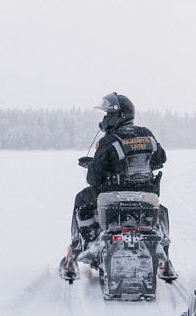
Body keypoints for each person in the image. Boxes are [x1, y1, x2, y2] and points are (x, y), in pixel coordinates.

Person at [60, 92, 171, 279]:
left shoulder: (109, 141)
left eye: (107, 114)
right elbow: (161, 158)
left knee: (81, 200)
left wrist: (94, 167)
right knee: (163, 210)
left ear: (118, 115)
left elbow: (93, 179)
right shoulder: (146, 134)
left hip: (113, 196)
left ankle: (85, 244)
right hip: (145, 195)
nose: (105, 119)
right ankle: (165, 257)